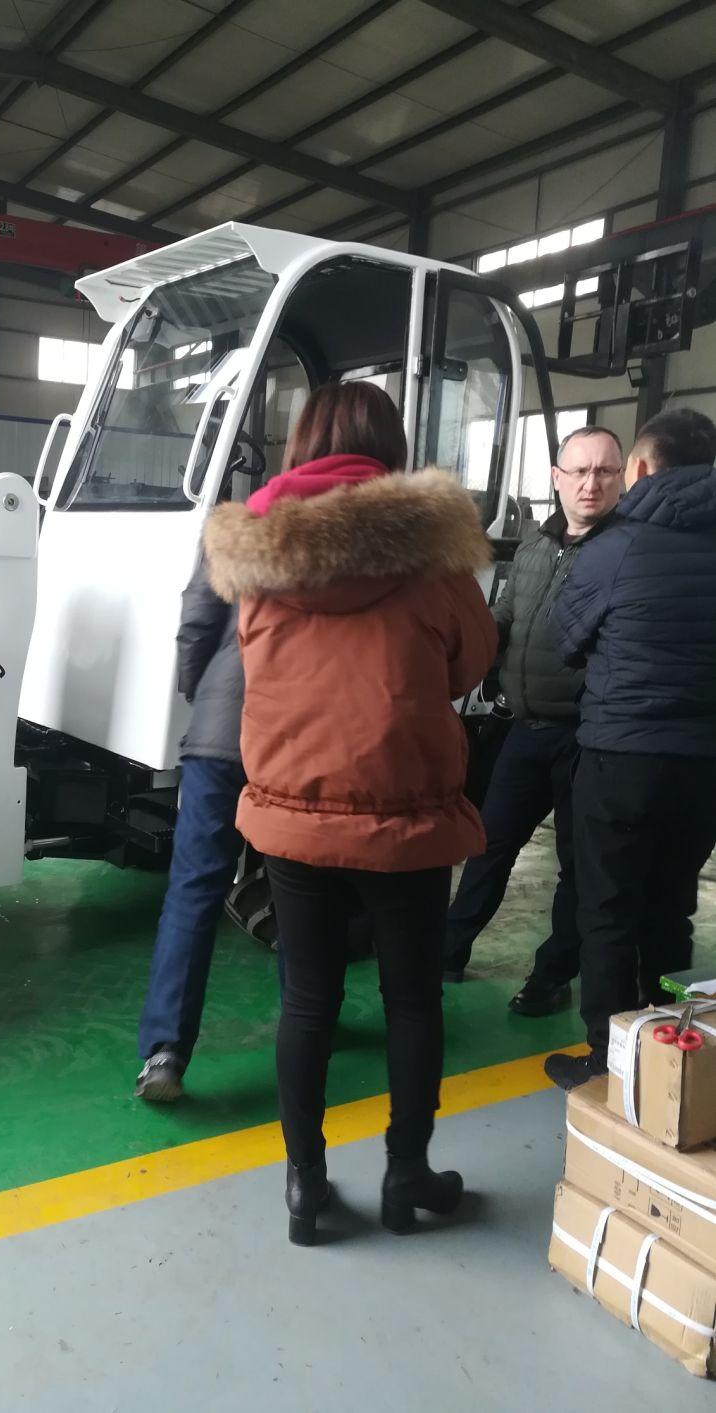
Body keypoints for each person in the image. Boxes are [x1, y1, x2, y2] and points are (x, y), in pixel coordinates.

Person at [204, 382, 496, 1244]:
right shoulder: (435, 559)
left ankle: (306, 1183)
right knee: (411, 999)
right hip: (404, 812)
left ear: (301, 443)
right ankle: (408, 1174)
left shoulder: (257, 561)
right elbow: (470, 664)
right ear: (390, 446)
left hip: (293, 813)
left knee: (308, 1000)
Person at [544, 408, 716, 1091]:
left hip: (621, 757)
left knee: (607, 909)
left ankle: (611, 1062)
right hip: (706, 765)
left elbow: (564, 640)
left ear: (639, 468)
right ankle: (673, 1048)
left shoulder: (615, 547)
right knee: (671, 904)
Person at [443, 427, 625, 1015]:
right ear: (557, 479)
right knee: (489, 845)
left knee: (579, 867)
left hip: (586, 738)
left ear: (621, 478)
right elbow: (508, 615)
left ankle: (551, 976)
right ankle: (447, 950)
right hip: (524, 729)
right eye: (579, 471)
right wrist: (461, 639)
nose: (590, 483)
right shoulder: (534, 547)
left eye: (604, 472)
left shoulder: (625, 551)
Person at [134, 552, 248, 1101]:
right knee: (305, 884)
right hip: (306, 737)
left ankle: (166, 1052)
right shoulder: (377, 531)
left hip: (221, 731)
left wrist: (203, 694)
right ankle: (316, 1026)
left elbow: (198, 620)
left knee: (194, 887)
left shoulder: (244, 522)